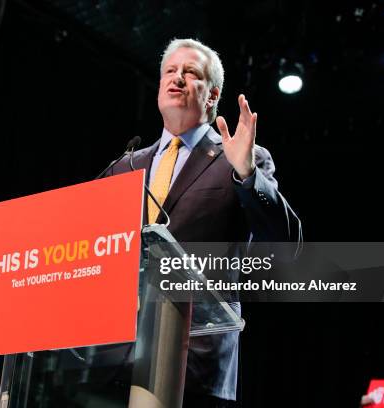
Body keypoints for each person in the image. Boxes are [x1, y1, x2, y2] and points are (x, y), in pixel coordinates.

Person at [105, 38, 302, 407]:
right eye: (169, 71)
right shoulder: (126, 165)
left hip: (195, 360)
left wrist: (246, 174)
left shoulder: (242, 158)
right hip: (118, 362)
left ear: (212, 96)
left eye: (190, 72)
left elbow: (285, 241)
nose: (176, 78)